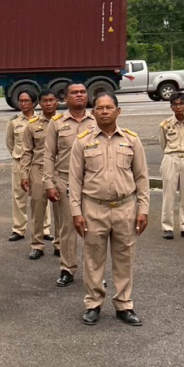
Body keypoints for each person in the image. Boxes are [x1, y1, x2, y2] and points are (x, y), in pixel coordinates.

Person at [69, 93, 149, 326]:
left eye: (109, 107)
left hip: (126, 207)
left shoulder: (131, 140)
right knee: (93, 259)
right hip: (94, 208)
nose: (104, 112)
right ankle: (93, 304)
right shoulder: (82, 141)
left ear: (118, 111)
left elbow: (142, 178)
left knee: (125, 258)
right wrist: (76, 212)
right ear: (93, 113)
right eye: (100, 108)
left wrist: (143, 209)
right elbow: (74, 181)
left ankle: (124, 305)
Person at [44, 83, 97, 287]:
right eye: (74, 93)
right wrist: (49, 183)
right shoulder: (57, 123)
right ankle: (67, 268)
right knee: (68, 227)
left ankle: (95, 271)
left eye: (82, 92)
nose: (79, 95)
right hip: (65, 181)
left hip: (92, 181)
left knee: (94, 229)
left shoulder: (96, 120)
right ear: (66, 98)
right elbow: (48, 155)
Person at [18, 92, 60, 261]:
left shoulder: (64, 123)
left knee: (61, 211)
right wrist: (23, 174)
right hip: (38, 170)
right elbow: (26, 151)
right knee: (38, 209)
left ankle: (59, 244)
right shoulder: (32, 125)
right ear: (39, 104)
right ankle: (37, 245)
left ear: (57, 102)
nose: (48, 104)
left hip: (59, 171)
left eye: (51, 100)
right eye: (45, 101)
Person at [159, 92, 184, 241]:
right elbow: (163, 143)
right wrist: (171, 155)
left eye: (181, 104)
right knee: (168, 194)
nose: (178, 107)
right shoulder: (165, 124)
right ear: (171, 107)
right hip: (171, 157)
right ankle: (167, 227)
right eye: (175, 104)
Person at [6, 91, 36, 242]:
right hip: (19, 163)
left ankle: (44, 229)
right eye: (21, 101)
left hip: (37, 164)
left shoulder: (41, 121)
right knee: (19, 197)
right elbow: (9, 143)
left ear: (33, 103)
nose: (23, 104)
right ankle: (19, 229)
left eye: (27, 101)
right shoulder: (14, 122)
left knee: (40, 197)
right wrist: (19, 156)